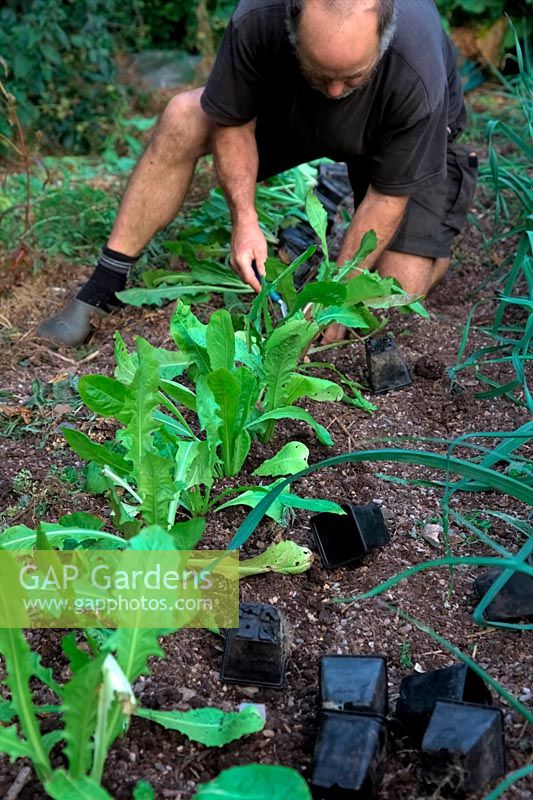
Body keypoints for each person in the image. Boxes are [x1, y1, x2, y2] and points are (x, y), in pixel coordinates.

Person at [38, 0, 478, 347]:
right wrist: (244, 219)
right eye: (322, 72)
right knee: (184, 116)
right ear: (291, 26)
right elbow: (233, 119)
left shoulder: (416, 68)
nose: (336, 90)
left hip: (394, 139)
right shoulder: (258, 17)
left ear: (383, 38)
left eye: (352, 76)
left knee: (394, 295)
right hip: (295, 114)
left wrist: (336, 297)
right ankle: (102, 286)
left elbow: (386, 198)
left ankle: (425, 240)